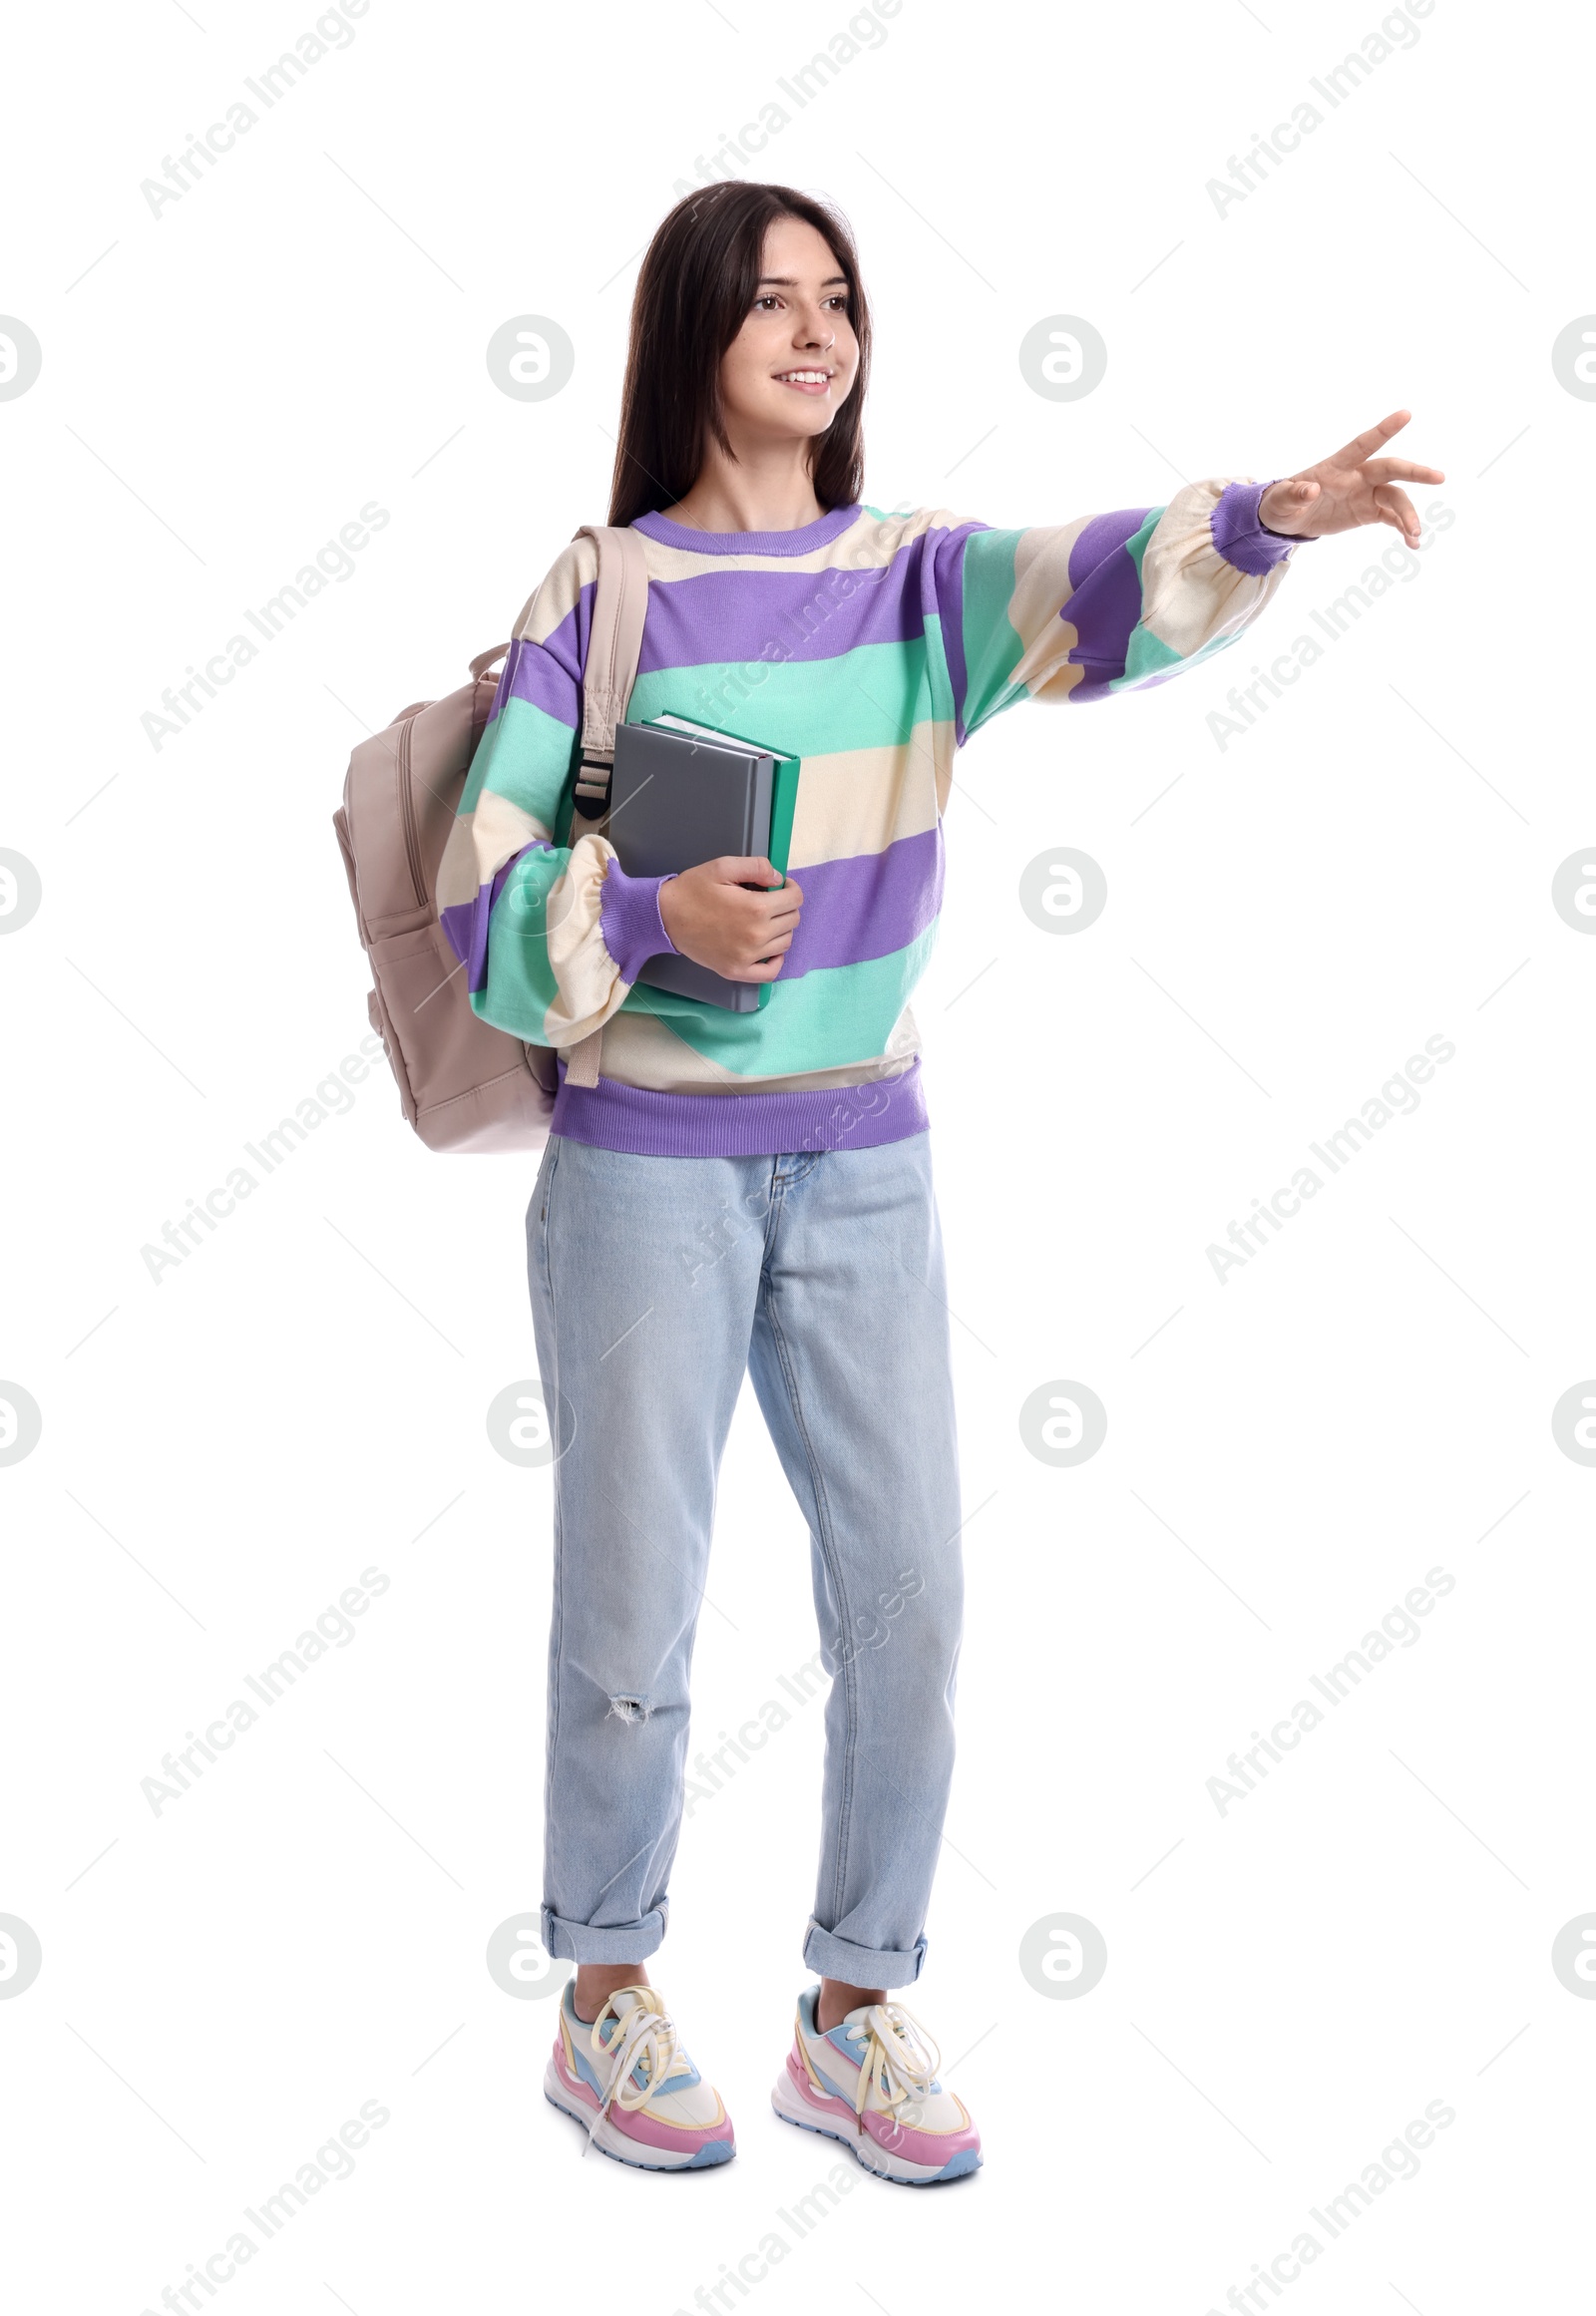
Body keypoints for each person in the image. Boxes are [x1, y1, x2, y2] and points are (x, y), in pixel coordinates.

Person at [440, 179, 1442, 2181]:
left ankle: (849, 2009)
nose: (815, 332)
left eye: (838, 301)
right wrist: (639, 910)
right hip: (643, 1170)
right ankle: (605, 1996)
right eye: (770, 303)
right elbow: (480, 895)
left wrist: (1254, 520)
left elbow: (1086, 587)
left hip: (864, 1165)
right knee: (634, 1623)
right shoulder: (599, 590)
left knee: (910, 1602)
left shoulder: (908, 581)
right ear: (692, 338)